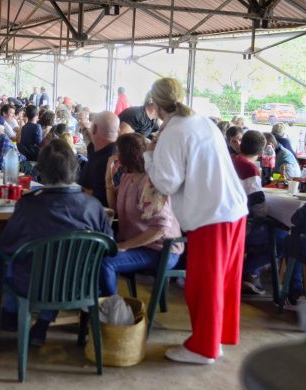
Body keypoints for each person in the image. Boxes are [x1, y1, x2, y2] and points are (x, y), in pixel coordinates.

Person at [144, 78, 247, 364]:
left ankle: (203, 348)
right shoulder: (201, 121)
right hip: (232, 209)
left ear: (154, 105)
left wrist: (148, 157)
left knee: (203, 284)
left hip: (210, 214)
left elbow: (166, 182)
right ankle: (215, 340)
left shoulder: (174, 132)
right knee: (224, 281)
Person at [0, 139, 113, 346]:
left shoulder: (28, 205)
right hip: (80, 286)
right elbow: (109, 247)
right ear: (75, 168)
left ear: (40, 171)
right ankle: (42, 323)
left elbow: (7, 244)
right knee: (61, 266)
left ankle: (10, 313)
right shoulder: (94, 206)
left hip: (32, 286)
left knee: (15, 262)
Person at [100, 133, 183, 295]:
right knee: (94, 251)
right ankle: (99, 303)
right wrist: (109, 178)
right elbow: (114, 206)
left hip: (160, 250)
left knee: (106, 263)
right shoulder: (127, 177)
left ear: (125, 157)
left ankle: (114, 309)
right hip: (139, 244)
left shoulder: (152, 182)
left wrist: (124, 245)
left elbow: (160, 228)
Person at [231, 130, 275, 295]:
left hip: (224, 221)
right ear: (261, 152)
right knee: (282, 237)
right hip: (239, 226)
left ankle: (250, 275)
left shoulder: (230, 161)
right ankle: (247, 272)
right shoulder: (249, 169)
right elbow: (259, 206)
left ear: (241, 144)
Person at [78, 111, 119, 207]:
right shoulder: (99, 148)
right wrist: (84, 127)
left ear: (95, 128)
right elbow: (88, 140)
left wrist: (79, 190)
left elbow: (110, 202)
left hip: (96, 216)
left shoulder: (113, 161)